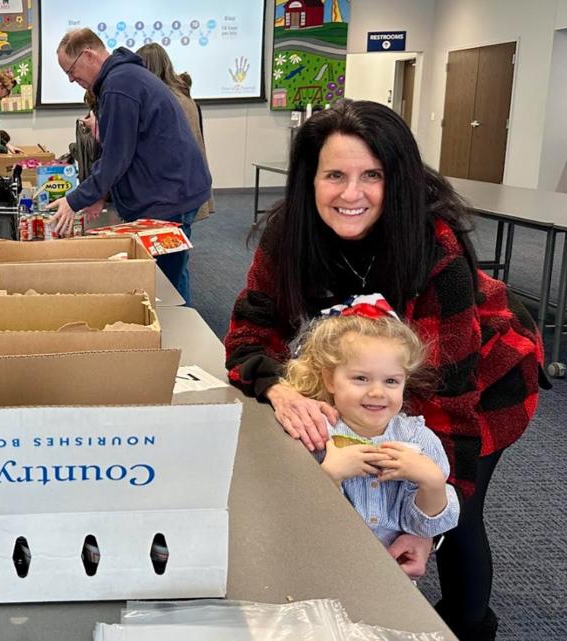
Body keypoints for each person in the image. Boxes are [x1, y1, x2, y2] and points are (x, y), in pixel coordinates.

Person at [224, 99, 545, 641]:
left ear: (396, 180)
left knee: (453, 517)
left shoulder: (433, 246)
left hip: (479, 380)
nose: (352, 194)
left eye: (372, 175)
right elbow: (247, 335)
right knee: (354, 490)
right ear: (311, 180)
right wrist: (278, 387)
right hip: (372, 378)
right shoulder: (289, 236)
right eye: (335, 176)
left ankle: (468, 627)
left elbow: (449, 401)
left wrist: (431, 522)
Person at [281, 296, 460, 572]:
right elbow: (289, 512)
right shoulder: (315, 431)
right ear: (330, 379)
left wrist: (433, 482)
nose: (377, 392)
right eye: (361, 378)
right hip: (318, 564)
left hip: (390, 569)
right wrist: (329, 474)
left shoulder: (418, 440)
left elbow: (422, 525)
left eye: (391, 381)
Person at [48, 28, 211, 304]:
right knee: (169, 275)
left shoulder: (119, 86)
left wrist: (73, 200)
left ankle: (174, 335)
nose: (71, 79)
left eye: (71, 70)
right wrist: (100, 194)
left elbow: (115, 157)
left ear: (88, 55)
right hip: (171, 191)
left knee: (165, 284)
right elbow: (124, 149)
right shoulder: (123, 78)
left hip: (168, 198)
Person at [135, 43, 214, 221]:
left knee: (171, 241)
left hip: (176, 189)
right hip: (190, 184)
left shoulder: (164, 98)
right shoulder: (181, 94)